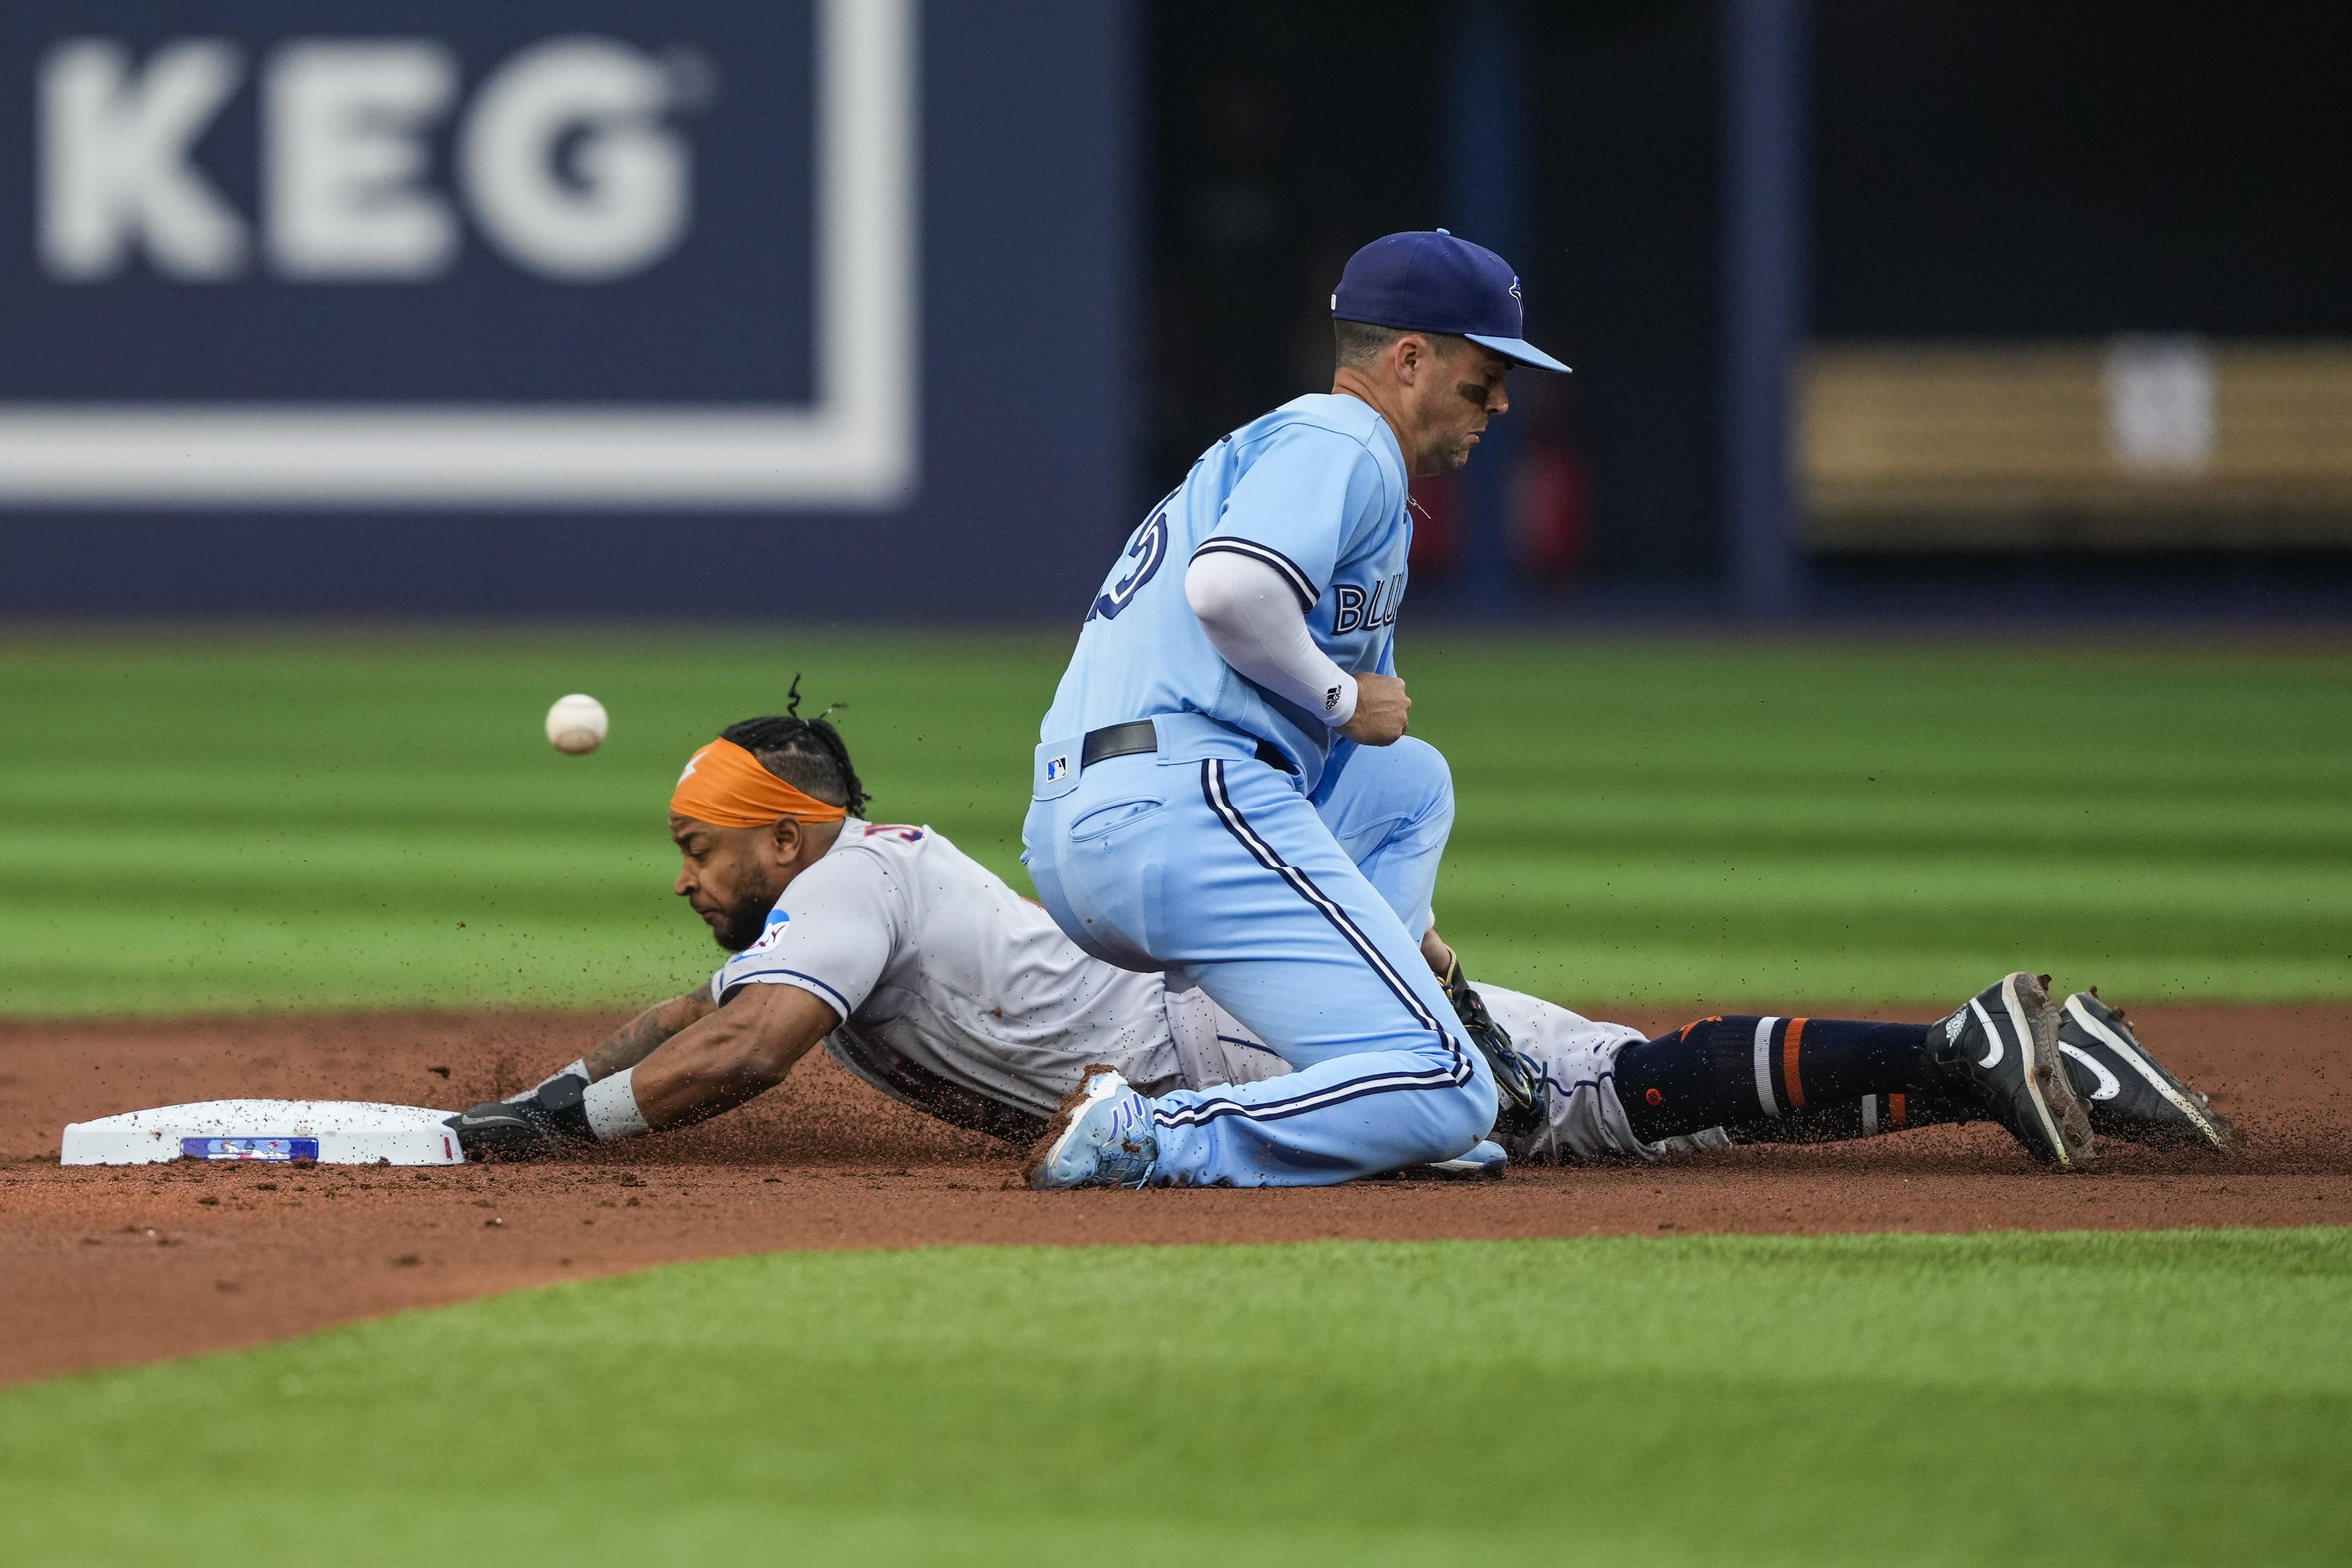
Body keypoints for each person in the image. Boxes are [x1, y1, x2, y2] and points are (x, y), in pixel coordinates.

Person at [449, 710, 2236, 1174]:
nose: (687, 879)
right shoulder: (828, 899)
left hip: (1243, 1048)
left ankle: (1968, 1050)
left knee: (1592, 1100)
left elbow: (742, 1052)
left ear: (786, 830)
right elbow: (697, 1013)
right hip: (1241, 1020)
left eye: (700, 848)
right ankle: (2012, 1058)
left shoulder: (848, 878)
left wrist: (568, 1137)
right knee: (1616, 1097)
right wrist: (550, 1089)